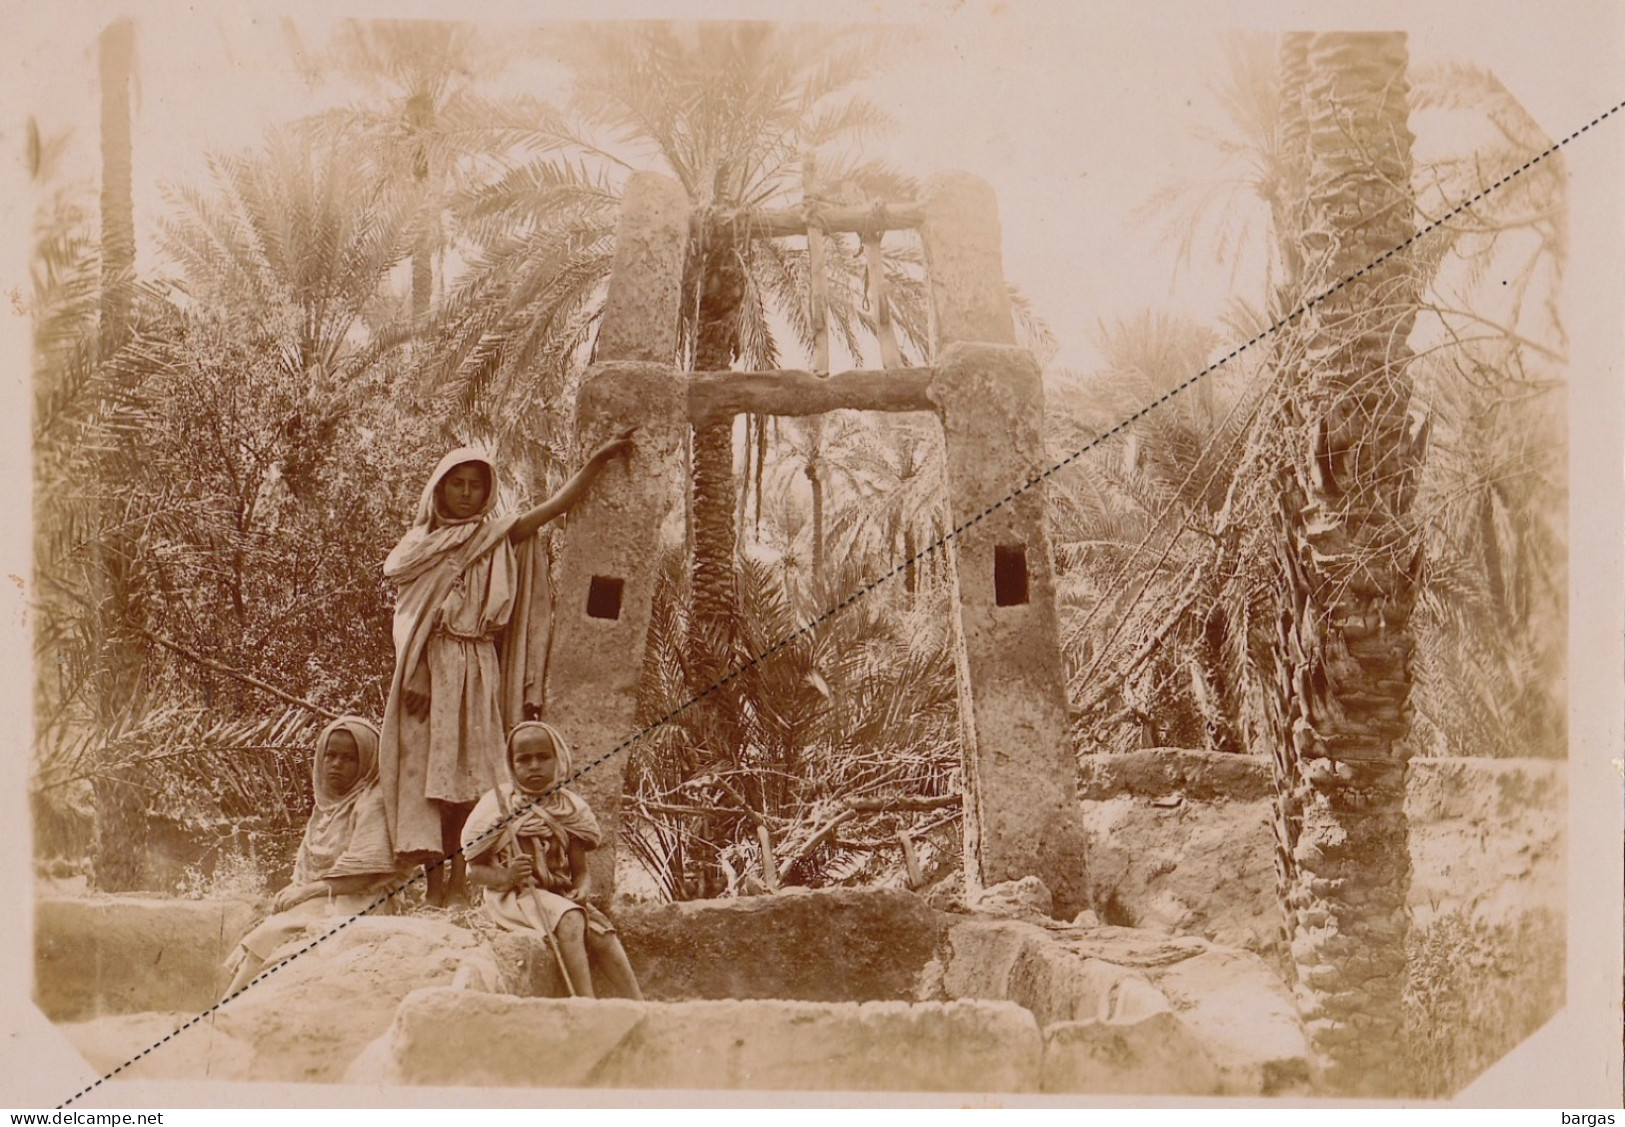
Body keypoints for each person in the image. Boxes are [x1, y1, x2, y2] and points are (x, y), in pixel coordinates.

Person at [378, 433, 633, 907]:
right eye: (458, 484)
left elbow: (555, 506)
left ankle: (461, 881)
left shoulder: (493, 535)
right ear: (438, 490)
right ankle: (433, 888)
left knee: (475, 782)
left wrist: (597, 461)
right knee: (430, 785)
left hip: (479, 671)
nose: (467, 493)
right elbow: (409, 619)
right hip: (431, 672)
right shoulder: (418, 547)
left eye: (476, 485)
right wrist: (414, 674)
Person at [222, 716, 404, 999]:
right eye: (330, 755)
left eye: (348, 758)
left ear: (367, 760)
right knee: (263, 930)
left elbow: (365, 872)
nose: (336, 764)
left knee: (273, 932)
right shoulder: (328, 804)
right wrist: (300, 888)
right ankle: (228, 1006)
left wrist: (308, 890)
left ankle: (225, 1009)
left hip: (362, 899)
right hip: (328, 895)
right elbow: (311, 866)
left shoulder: (373, 801)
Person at [462, 721, 642, 999]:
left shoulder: (569, 809)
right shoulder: (498, 807)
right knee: (570, 919)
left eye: (543, 757)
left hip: (556, 897)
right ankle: (585, 1002)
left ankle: (638, 1003)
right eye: (523, 759)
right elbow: (473, 871)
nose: (534, 766)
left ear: (558, 759)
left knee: (602, 934)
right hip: (515, 899)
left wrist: (582, 888)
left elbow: (580, 871)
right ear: (511, 765)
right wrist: (506, 876)